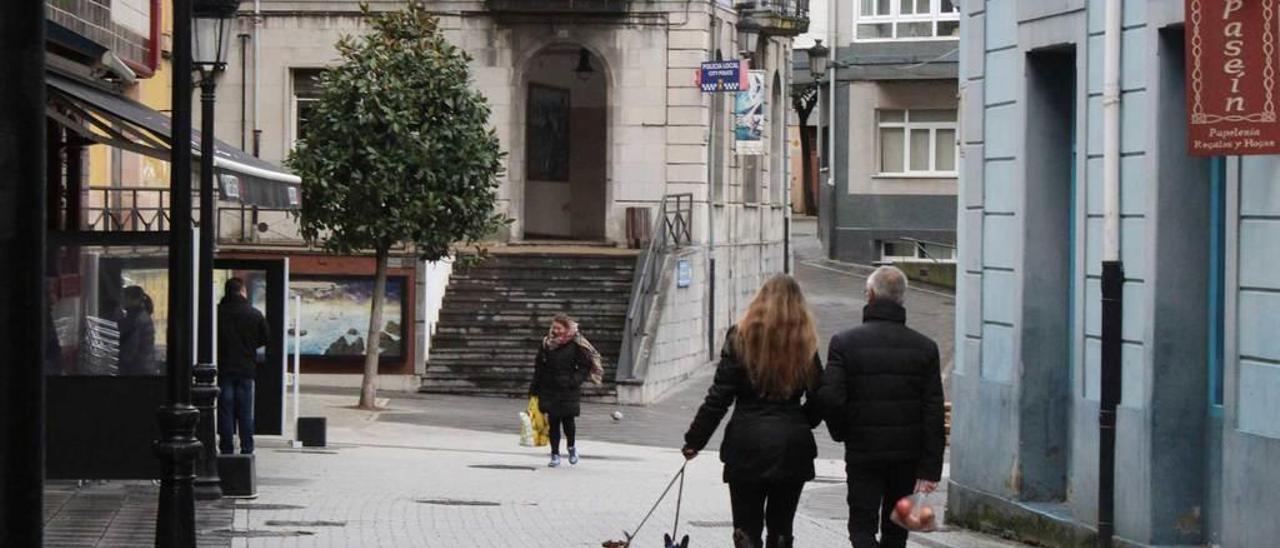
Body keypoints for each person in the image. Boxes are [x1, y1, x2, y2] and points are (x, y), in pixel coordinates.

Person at [681, 274, 824, 548]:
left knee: (746, 527)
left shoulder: (740, 337)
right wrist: (800, 421)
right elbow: (822, 395)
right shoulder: (805, 342)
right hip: (792, 446)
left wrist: (694, 441)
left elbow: (719, 396)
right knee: (782, 526)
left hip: (745, 443)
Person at [819, 266, 945, 548]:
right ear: (902, 298)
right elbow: (933, 410)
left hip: (863, 452)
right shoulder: (926, 347)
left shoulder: (844, 343)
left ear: (871, 296)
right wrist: (930, 467)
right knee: (897, 530)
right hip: (907, 456)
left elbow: (831, 398)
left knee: (861, 527)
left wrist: (843, 432)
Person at [529, 313, 604, 468]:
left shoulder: (576, 344)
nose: (555, 330)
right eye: (553, 327)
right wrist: (534, 387)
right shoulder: (546, 343)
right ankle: (554, 454)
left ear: (566, 328)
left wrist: (574, 381)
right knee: (553, 423)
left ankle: (571, 447)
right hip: (549, 388)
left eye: (558, 328)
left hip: (567, 389)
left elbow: (584, 366)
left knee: (568, 422)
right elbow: (539, 366)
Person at [217, 277, 269, 455]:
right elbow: (265, 337)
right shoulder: (254, 314)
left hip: (224, 368)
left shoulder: (218, 313)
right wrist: (249, 346)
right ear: (242, 291)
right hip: (246, 368)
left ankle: (226, 447)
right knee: (245, 410)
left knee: (225, 410)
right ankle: (247, 447)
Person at [116, 286, 156, 375]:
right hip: (144, 366)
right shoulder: (142, 315)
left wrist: (123, 363)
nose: (121, 301)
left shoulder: (135, 319)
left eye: (124, 298)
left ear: (132, 299)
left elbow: (130, 346)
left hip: (137, 369)